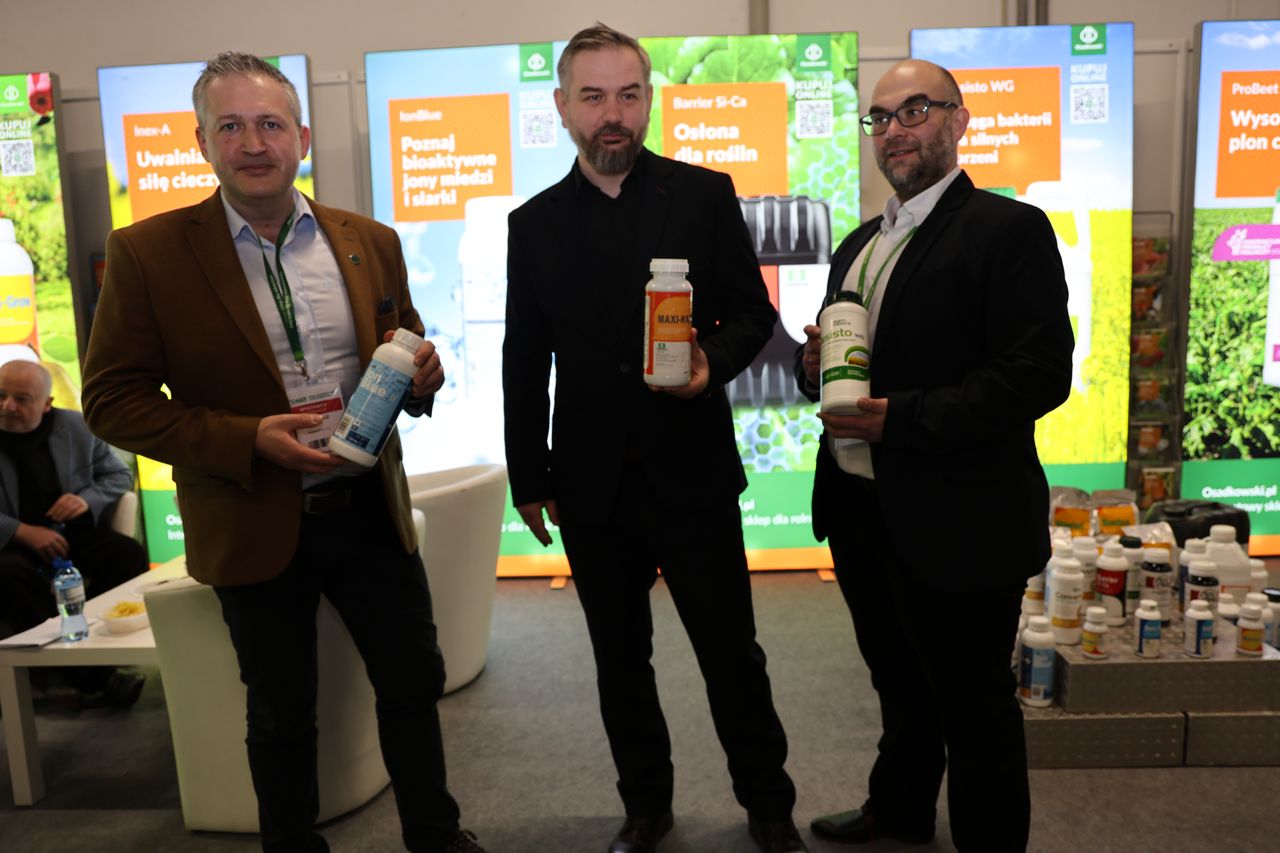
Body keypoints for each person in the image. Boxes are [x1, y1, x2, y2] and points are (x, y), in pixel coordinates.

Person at [81, 52, 483, 853]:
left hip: (367, 509)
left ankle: (437, 837)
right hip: (251, 514)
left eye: (270, 124)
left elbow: (401, 343)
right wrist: (247, 438)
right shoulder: (149, 253)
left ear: (301, 135)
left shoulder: (369, 239)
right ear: (202, 142)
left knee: (412, 680)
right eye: (230, 126)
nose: (253, 143)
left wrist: (422, 377)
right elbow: (112, 401)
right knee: (280, 707)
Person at [503, 24, 805, 853]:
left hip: (692, 472)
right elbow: (524, 357)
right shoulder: (533, 224)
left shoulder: (702, 195)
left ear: (648, 100)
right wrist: (529, 475)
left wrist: (712, 363)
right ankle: (646, 807)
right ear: (563, 106)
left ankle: (769, 806)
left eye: (629, 95)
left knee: (732, 654)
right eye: (593, 96)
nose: (613, 114)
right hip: (591, 483)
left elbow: (753, 314)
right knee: (619, 660)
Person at [794, 60, 1073, 851]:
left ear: (959, 120)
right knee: (898, 683)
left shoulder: (1007, 230)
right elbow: (845, 358)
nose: (894, 129)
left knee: (975, 705)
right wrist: (813, 366)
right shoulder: (859, 243)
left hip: (962, 515)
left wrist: (905, 419)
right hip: (862, 508)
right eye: (880, 117)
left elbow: (1037, 373)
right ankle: (901, 808)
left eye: (914, 110)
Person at [0, 359, 148, 707]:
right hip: (8, 545)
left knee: (126, 553)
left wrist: (85, 500)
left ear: (47, 404)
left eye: (21, 399)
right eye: (1, 395)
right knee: (8, 576)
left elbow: (120, 476)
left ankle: (102, 649)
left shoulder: (76, 427)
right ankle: (90, 675)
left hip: (69, 535)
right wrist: (21, 531)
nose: (7, 406)